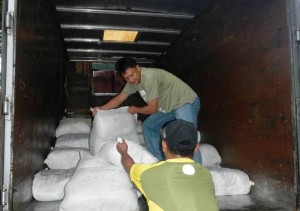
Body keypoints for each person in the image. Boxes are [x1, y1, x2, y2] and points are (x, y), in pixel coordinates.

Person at [92, 57, 201, 162]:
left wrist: (136, 109)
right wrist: (100, 109)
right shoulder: (133, 83)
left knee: (187, 135)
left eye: (132, 75)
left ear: (138, 68)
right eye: (127, 78)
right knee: (149, 126)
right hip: (169, 108)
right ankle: (159, 160)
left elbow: (152, 109)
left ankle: (196, 171)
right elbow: (119, 98)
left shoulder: (149, 77)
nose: (131, 79)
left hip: (185, 102)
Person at [116, 119, 219, 211]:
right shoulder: (206, 174)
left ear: (164, 145)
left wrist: (123, 152)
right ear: (196, 148)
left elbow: (129, 167)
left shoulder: (150, 173)